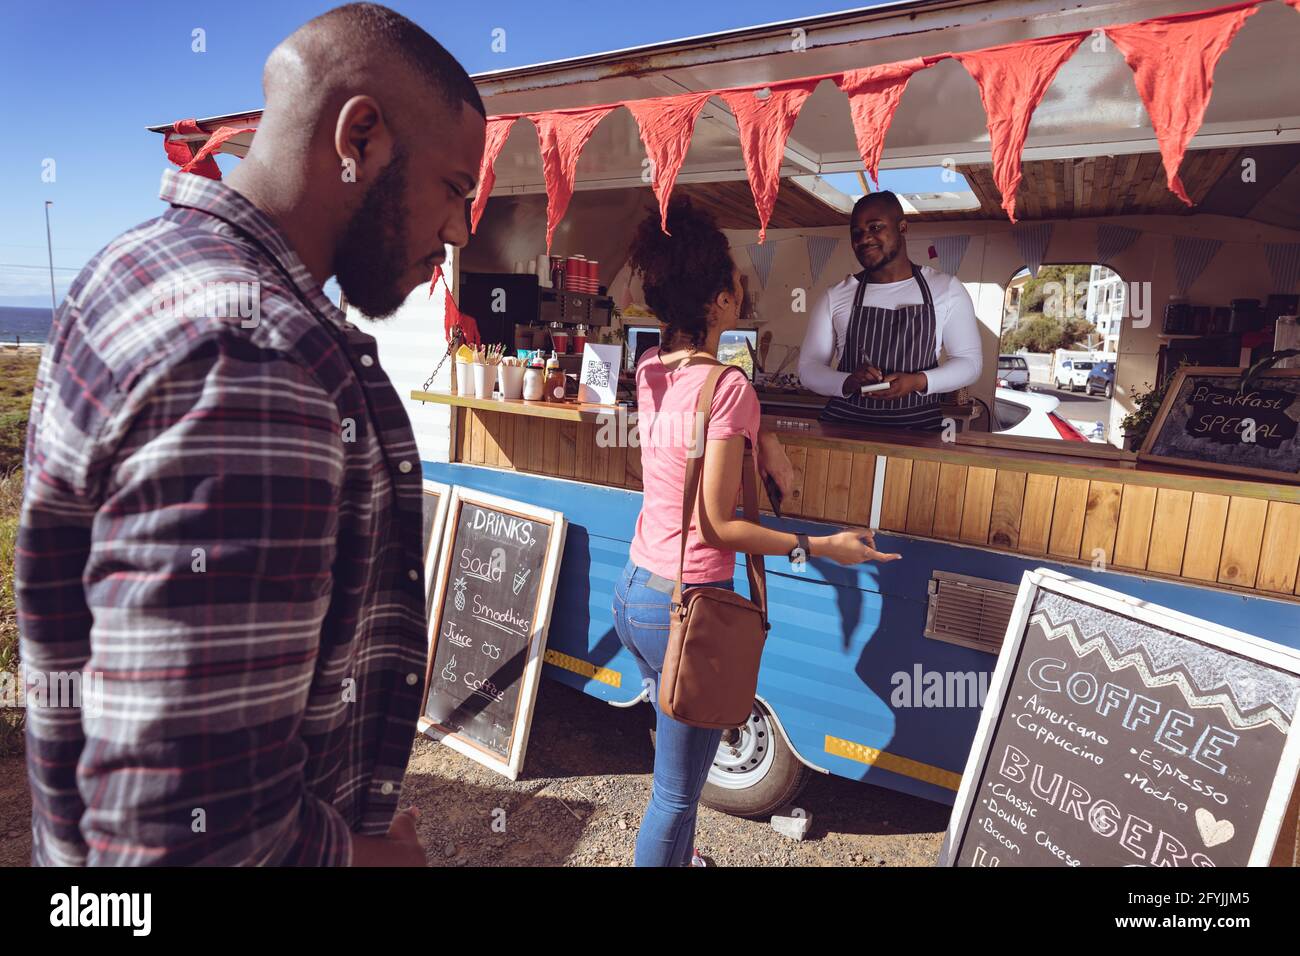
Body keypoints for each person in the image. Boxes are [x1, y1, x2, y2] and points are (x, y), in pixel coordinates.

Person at [16, 3, 485, 866]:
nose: (460, 232)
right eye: (456, 189)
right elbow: (188, 839)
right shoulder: (257, 358)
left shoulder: (127, 268)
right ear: (361, 138)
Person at [616, 197, 901, 867]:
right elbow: (720, 523)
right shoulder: (730, 386)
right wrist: (820, 546)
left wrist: (762, 434)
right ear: (719, 301)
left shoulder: (650, 368)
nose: (744, 285)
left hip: (634, 591)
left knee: (675, 776)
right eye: (737, 278)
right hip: (686, 607)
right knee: (676, 796)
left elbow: (686, 437)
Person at [798, 191, 982, 430]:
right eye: (857, 233)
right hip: (844, 430)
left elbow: (970, 363)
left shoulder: (945, 289)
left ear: (902, 227)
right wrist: (848, 381)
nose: (864, 238)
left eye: (875, 227)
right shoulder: (835, 295)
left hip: (918, 432)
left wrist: (919, 381)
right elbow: (808, 368)